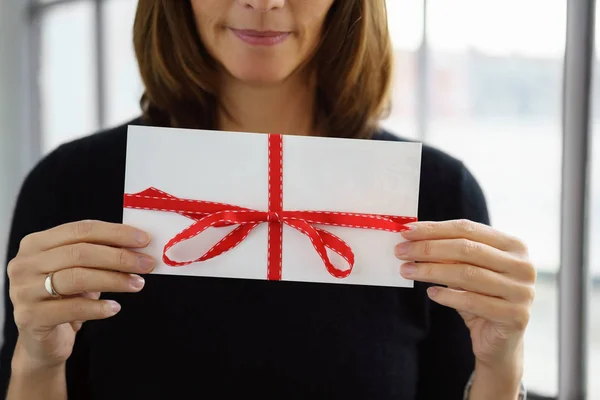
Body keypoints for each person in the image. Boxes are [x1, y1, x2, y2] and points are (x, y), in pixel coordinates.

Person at [0, 1, 535, 399]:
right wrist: (37, 362)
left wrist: (501, 364)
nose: (262, 1)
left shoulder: (435, 194)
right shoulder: (69, 186)